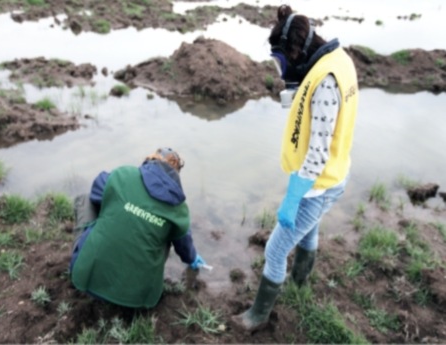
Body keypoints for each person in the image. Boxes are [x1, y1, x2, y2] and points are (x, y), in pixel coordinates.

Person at [232, 5, 359, 331]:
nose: (280, 70)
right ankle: (301, 281)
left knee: (275, 250)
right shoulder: (337, 60)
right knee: (309, 229)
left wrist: (293, 196)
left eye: (281, 62)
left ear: (295, 51)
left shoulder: (325, 83)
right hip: (334, 174)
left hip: (318, 183)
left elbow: (317, 154)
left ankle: (256, 316)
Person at [69, 147, 206, 309]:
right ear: (176, 174)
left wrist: (126, 208)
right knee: (169, 234)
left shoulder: (122, 175)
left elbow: (96, 192)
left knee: (84, 199)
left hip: (88, 280)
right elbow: (184, 247)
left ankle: (90, 258)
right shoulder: (179, 210)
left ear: (150, 160)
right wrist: (193, 259)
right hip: (140, 299)